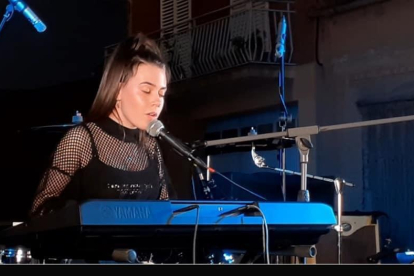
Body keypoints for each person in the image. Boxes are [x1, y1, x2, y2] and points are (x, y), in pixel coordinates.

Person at [29, 33, 176, 218]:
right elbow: (40, 208)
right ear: (118, 90)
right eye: (146, 90)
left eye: (161, 93)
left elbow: (166, 212)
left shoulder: (151, 147)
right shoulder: (82, 140)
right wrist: (86, 214)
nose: (156, 101)